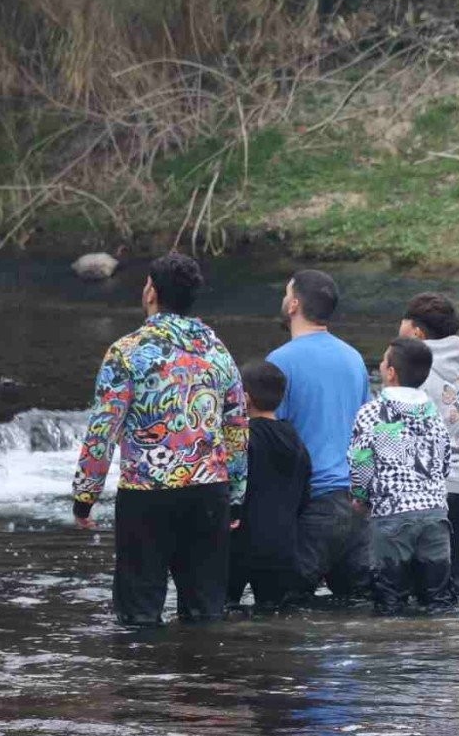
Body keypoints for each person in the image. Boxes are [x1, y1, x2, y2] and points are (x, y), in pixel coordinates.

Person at [72, 252, 249, 625]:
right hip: (208, 492)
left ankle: (143, 682)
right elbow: (236, 427)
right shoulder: (219, 351)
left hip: (146, 495)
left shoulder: (127, 352)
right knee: (205, 612)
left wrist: (85, 496)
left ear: (151, 291)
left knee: (138, 614)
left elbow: (103, 429)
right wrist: (235, 498)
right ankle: (201, 678)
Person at [267, 269, 371, 603]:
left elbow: (267, 436)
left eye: (286, 294)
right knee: (356, 609)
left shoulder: (281, 362)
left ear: (294, 304)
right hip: (356, 506)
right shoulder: (353, 358)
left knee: (284, 607)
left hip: (312, 505)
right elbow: (366, 430)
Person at [349, 337, 455, 613]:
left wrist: (360, 498)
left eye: (384, 361)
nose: (382, 365)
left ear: (391, 372)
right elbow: (444, 465)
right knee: (438, 601)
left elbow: (362, 462)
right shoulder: (434, 415)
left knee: (390, 601)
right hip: (435, 515)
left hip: (392, 517)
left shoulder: (373, 413)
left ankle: (391, 653)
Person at [399, 293, 459, 596]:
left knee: (418, 586)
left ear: (417, 331)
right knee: (456, 583)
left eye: (404, 322)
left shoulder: (412, 366)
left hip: (423, 488)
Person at [229, 359, 313, 613]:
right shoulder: (296, 440)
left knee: (222, 609)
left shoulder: (241, 439)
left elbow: (231, 488)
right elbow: (304, 495)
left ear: (245, 398)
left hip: (239, 544)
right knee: (274, 614)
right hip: (283, 546)